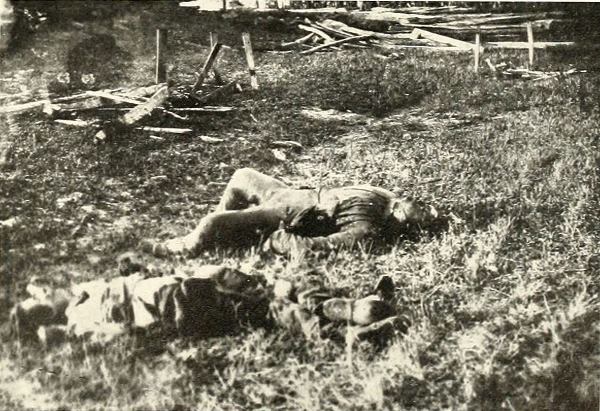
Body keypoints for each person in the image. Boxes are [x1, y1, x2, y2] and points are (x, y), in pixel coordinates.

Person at [9, 259, 404, 346]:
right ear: (48, 313)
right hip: (175, 305)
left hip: (182, 289)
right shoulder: (79, 319)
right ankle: (349, 331)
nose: (43, 291)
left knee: (272, 291)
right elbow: (123, 331)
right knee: (266, 308)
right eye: (40, 299)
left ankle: (352, 310)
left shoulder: (83, 291)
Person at [141, 168, 438, 257]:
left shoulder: (367, 226)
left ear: (403, 222)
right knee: (242, 175)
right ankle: (224, 237)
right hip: (290, 192)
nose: (419, 203)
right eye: (423, 204)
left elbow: (316, 246)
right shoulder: (386, 196)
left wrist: (280, 241)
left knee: (211, 223)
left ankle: (187, 246)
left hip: (288, 213)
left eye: (422, 211)